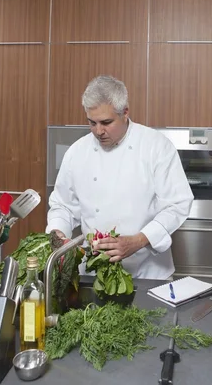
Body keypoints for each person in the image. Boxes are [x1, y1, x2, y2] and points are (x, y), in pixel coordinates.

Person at [46, 75, 193, 279]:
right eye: (92, 122)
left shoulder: (156, 146)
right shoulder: (77, 152)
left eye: (106, 122)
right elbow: (63, 205)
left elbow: (177, 204)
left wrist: (139, 240)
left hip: (147, 274)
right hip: (92, 273)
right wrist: (57, 232)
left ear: (125, 112)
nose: (98, 131)